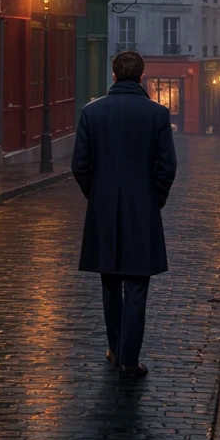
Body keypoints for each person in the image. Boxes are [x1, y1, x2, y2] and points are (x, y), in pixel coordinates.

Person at [71, 50, 177, 379]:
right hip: (142, 210)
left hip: (103, 211)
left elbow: (80, 164)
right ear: (142, 76)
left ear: (114, 76)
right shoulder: (157, 114)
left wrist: (96, 195)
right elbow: (167, 167)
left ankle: (115, 349)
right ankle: (129, 360)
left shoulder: (92, 112)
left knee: (110, 283)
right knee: (137, 284)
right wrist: (153, 199)